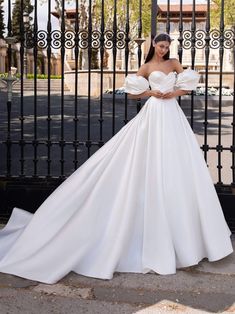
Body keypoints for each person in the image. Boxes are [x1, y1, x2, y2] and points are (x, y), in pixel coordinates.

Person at [0, 33, 233, 284]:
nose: (164, 50)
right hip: (154, 112)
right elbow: (132, 93)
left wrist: (174, 93)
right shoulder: (146, 66)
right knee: (147, 155)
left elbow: (189, 85)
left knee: (179, 163)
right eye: (161, 46)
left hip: (172, 113)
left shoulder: (175, 63)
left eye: (167, 46)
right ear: (154, 45)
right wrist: (152, 93)